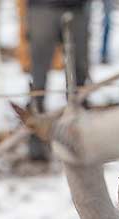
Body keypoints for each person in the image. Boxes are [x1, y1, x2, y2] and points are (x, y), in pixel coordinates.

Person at [25, 0, 91, 160]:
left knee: (79, 76)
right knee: (38, 78)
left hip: (77, 9)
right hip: (42, 8)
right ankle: (36, 138)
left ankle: (80, 133)